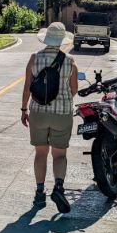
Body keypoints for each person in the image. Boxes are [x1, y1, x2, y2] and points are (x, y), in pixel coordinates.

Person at [21, 22, 78, 213]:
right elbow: (74, 90)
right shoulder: (70, 61)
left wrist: (23, 109)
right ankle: (59, 187)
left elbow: (27, 87)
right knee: (60, 154)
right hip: (62, 113)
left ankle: (39, 192)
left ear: (46, 39)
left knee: (40, 153)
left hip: (38, 112)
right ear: (62, 40)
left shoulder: (34, 58)